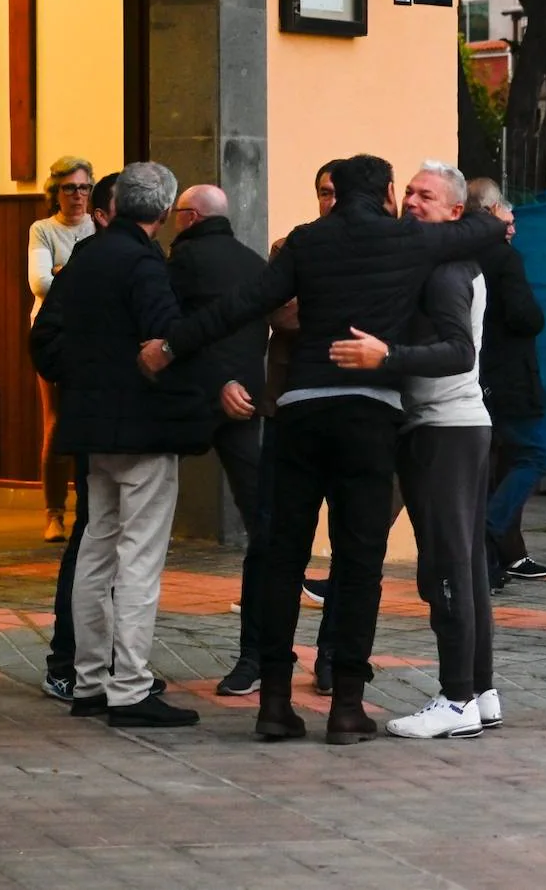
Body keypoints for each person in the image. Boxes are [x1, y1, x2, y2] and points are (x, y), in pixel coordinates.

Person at [138, 154, 505, 744]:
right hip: (370, 415)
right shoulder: (407, 239)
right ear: (387, 193)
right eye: (403, 192)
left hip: (300, 412)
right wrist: (476, 218)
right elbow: (488, 228)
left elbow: (241, 305)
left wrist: (170, 347)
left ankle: (276, 704)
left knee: (283, 556)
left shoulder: (307, 242)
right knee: (358, 562)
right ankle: (347, 708)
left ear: (334, 193)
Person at [38, 161, 212, 728]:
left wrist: (84, 379)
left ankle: (89, 681)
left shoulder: (85, 256)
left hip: (90, 426)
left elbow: (45, 338)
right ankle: (130, 686)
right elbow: (164, 337)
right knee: (138, 557)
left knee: (95, 550)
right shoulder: (144, 263)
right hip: (140, 427)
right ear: (162, 213)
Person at [331, 161, 497, 739]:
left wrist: (387, 356)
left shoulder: (446, 268)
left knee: (446, 566)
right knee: (466, 563)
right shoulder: (443, 260)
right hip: (456, 427)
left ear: (455, 212)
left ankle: (456, 701)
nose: (411, 202)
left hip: (443, 428)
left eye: (426, 196)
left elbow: (459, 351)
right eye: (407, 193)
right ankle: (480, 690)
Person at [218, 159, 342, 698]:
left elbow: (300, 315)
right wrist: (338, 315)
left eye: (336, 193)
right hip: (286, 408)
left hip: (354, 412)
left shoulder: (376, 250)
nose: (328, 202)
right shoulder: (289, 245)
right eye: (322, 192)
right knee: (268, 541)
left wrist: (312, 309)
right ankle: (258, 655)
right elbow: (280, 316)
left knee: (350, 543)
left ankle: (335, 654)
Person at [465, 178, 546, 590]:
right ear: (488, 211)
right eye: (505, 207)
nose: (512, 215)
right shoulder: (503, 258)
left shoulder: (458, 253)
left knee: (486, 468)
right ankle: (490, 527)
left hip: (475, 377)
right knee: (534, 456)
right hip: (511, 377)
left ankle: (488, 564)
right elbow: (526, 317)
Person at [168, 184, 267, 540]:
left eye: (177, 214)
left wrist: (220, 382)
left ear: (191, 217)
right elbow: (257, 332)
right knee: (252, 489)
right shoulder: (255, 262)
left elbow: (175, 327)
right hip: (246, 394)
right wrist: (239, 382)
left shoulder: (185, 259)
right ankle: (274, 572)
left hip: (197, 389)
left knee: (157, 476)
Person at [28, 155, 96, 542]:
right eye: (69, 188)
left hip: (92, 332)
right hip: (53, 335)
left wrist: (63, 272)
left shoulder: (97, 225)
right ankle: (53, 512)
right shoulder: (43, 229)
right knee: (55, 423)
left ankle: (89, 510)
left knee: (89, 418)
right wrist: (82, 281)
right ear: (56, 192)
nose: (78, 196)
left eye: (84, 187)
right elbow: (39, 282)